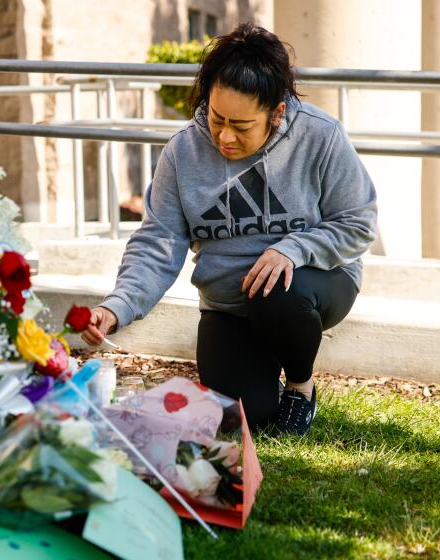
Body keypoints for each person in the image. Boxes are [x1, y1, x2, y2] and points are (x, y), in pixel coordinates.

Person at [82, 23, 378, 435]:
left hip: (311, 284)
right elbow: (158, 241)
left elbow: (358, 222)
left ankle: (300, 384)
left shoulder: (320, 135)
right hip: (229, 306)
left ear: (276, 112)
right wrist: (117, 305)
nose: (224, 136)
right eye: (217, 118)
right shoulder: (182, 152)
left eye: (241, 126)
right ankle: (259, 368)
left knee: (278, 292)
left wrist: (293, 248)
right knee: (239, 418)